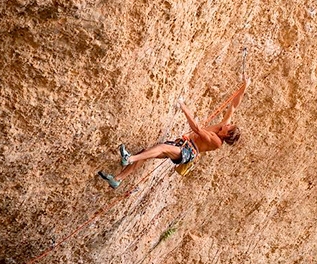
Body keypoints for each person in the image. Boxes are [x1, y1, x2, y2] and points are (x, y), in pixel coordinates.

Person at [98, 77, 249, 189]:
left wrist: (183, 106)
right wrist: (244, 86)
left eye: (228, 128)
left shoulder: (216, 142)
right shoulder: (222, 126)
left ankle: (129, 158)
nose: (227, 125)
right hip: (182, 145)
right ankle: (117, 179)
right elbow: (233, 106)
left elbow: (197, 129)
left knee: (162, 147)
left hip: (188, 152)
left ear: (226, 135)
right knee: (147, 152)